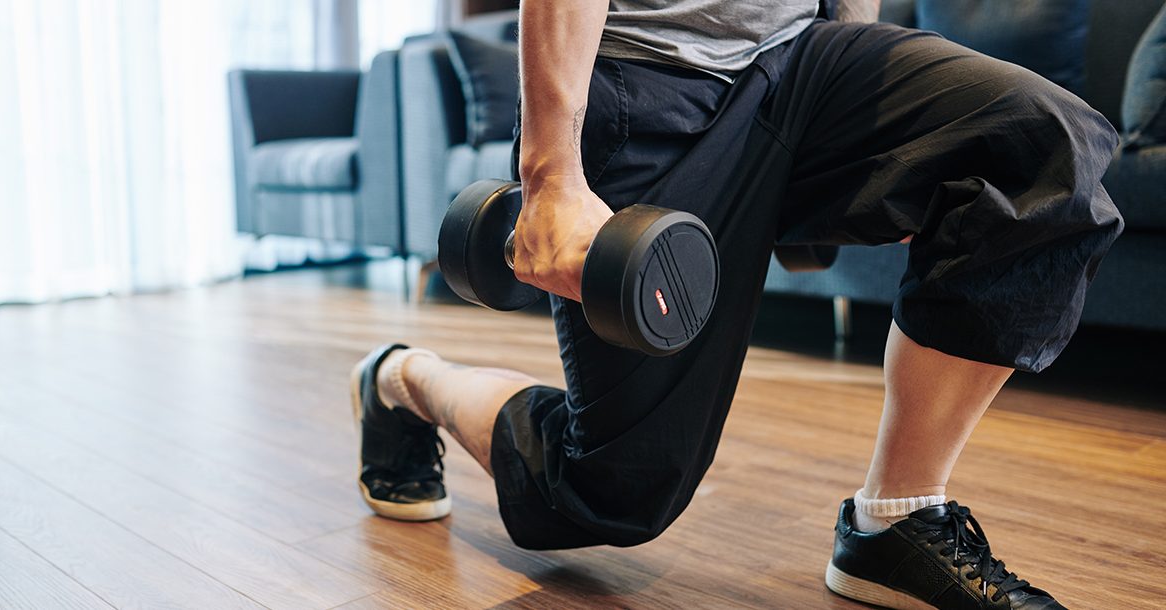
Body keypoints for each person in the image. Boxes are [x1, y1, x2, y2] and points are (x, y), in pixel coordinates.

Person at [350, 1, 1122, 608]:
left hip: (804, 64)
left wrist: (869, 160)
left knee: (1041, 143)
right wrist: (552, 174)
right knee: (617, 490)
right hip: (645, 79)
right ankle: (406, 380)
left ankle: (896, 519)